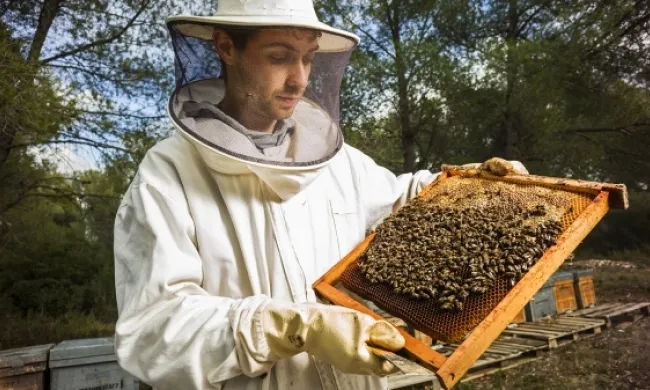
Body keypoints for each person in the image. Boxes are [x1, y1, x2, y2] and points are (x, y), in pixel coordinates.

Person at [113, 1, 527, 389]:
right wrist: (290, 328)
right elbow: (153, 329)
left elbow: (403, 206)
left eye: (308, 58)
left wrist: (470, 188)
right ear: (226, 47)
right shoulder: (168, 174)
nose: (301, 79)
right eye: (279, 56)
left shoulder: (334, 159)